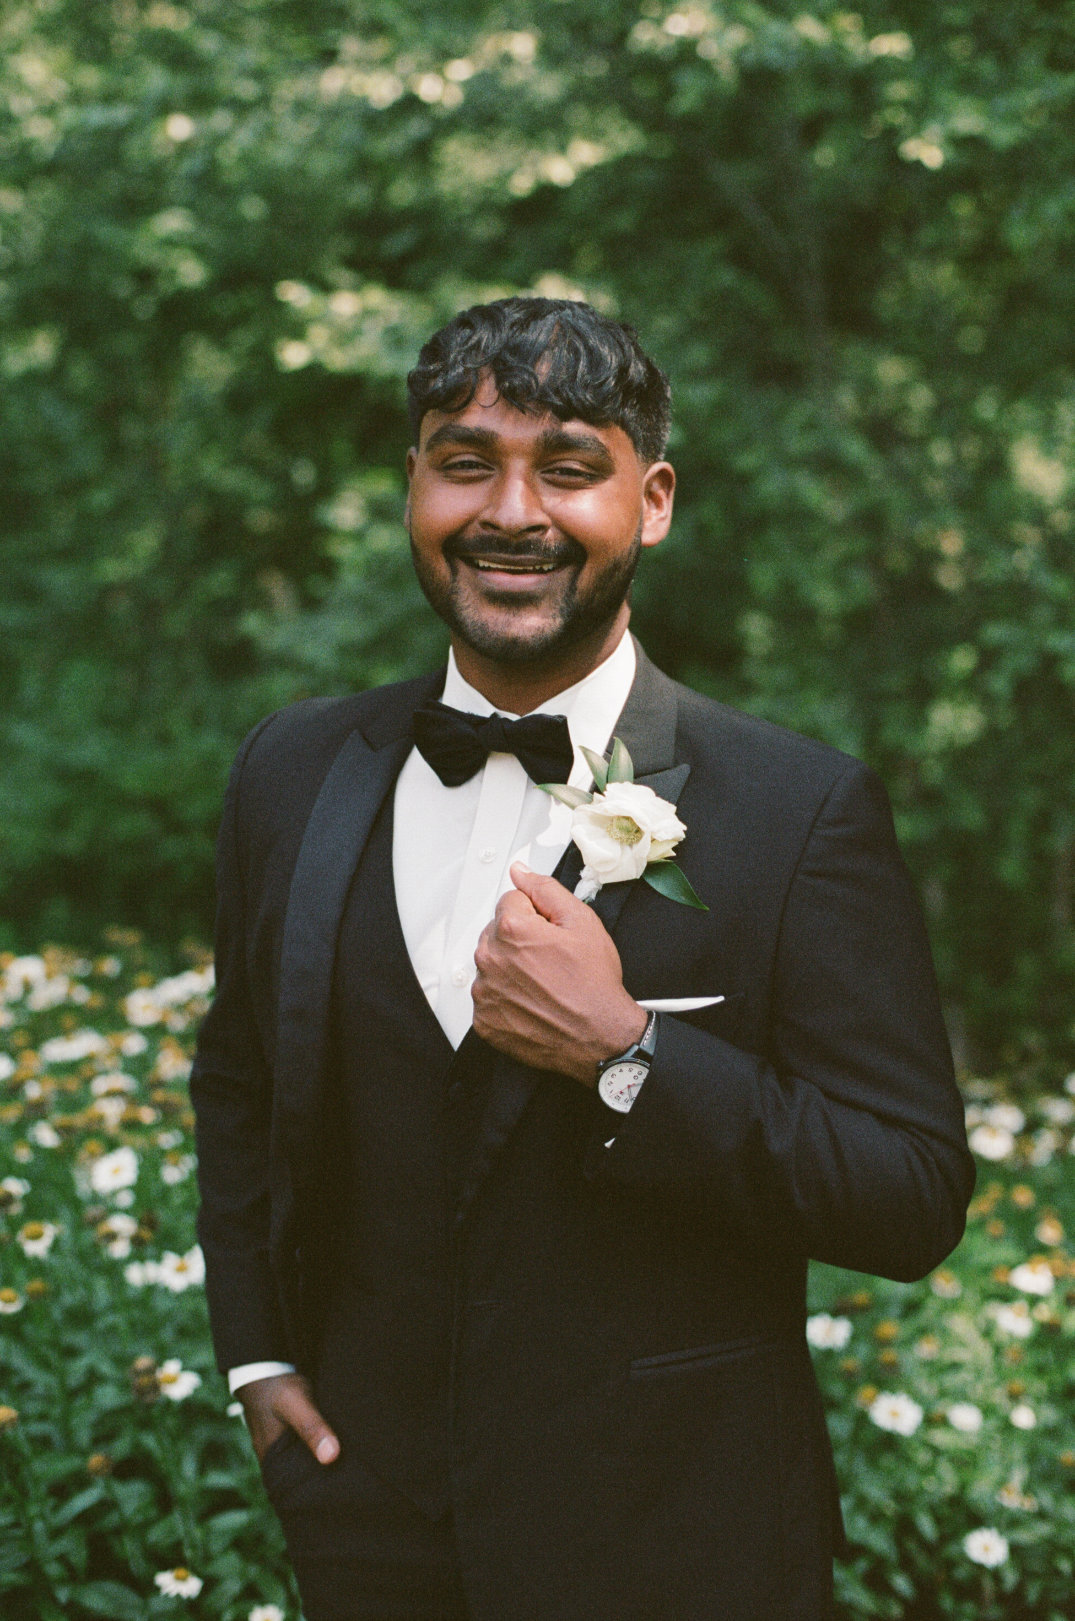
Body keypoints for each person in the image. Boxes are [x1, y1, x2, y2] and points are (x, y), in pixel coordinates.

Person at [191, 296, 974, 1621]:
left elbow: (909, 1192)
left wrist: (631, 1054)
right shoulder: (292, 768)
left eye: (566, 465)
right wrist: (258, 1353)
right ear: (414, 487)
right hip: (366, 1532)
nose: (511, 510)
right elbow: (241, 1084)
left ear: (652, 500)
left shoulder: (797, 811)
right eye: (464, 460)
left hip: (677, 1543)